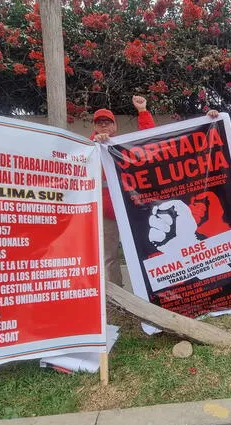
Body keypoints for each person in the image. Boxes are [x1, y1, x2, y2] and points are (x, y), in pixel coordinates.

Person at [91, 95, 155, 286]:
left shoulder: (124, 147)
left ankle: (148, 293)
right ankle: (118, 299)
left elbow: (148, 140)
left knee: (144, 250)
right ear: (95, 127)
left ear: (115, 126)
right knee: (109, 257)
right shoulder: (89, 147)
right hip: (106, 212)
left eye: (107, 122)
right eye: (99, 123)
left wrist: (142, 111)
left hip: (131, 210)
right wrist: (96, 141)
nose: (104, 126)